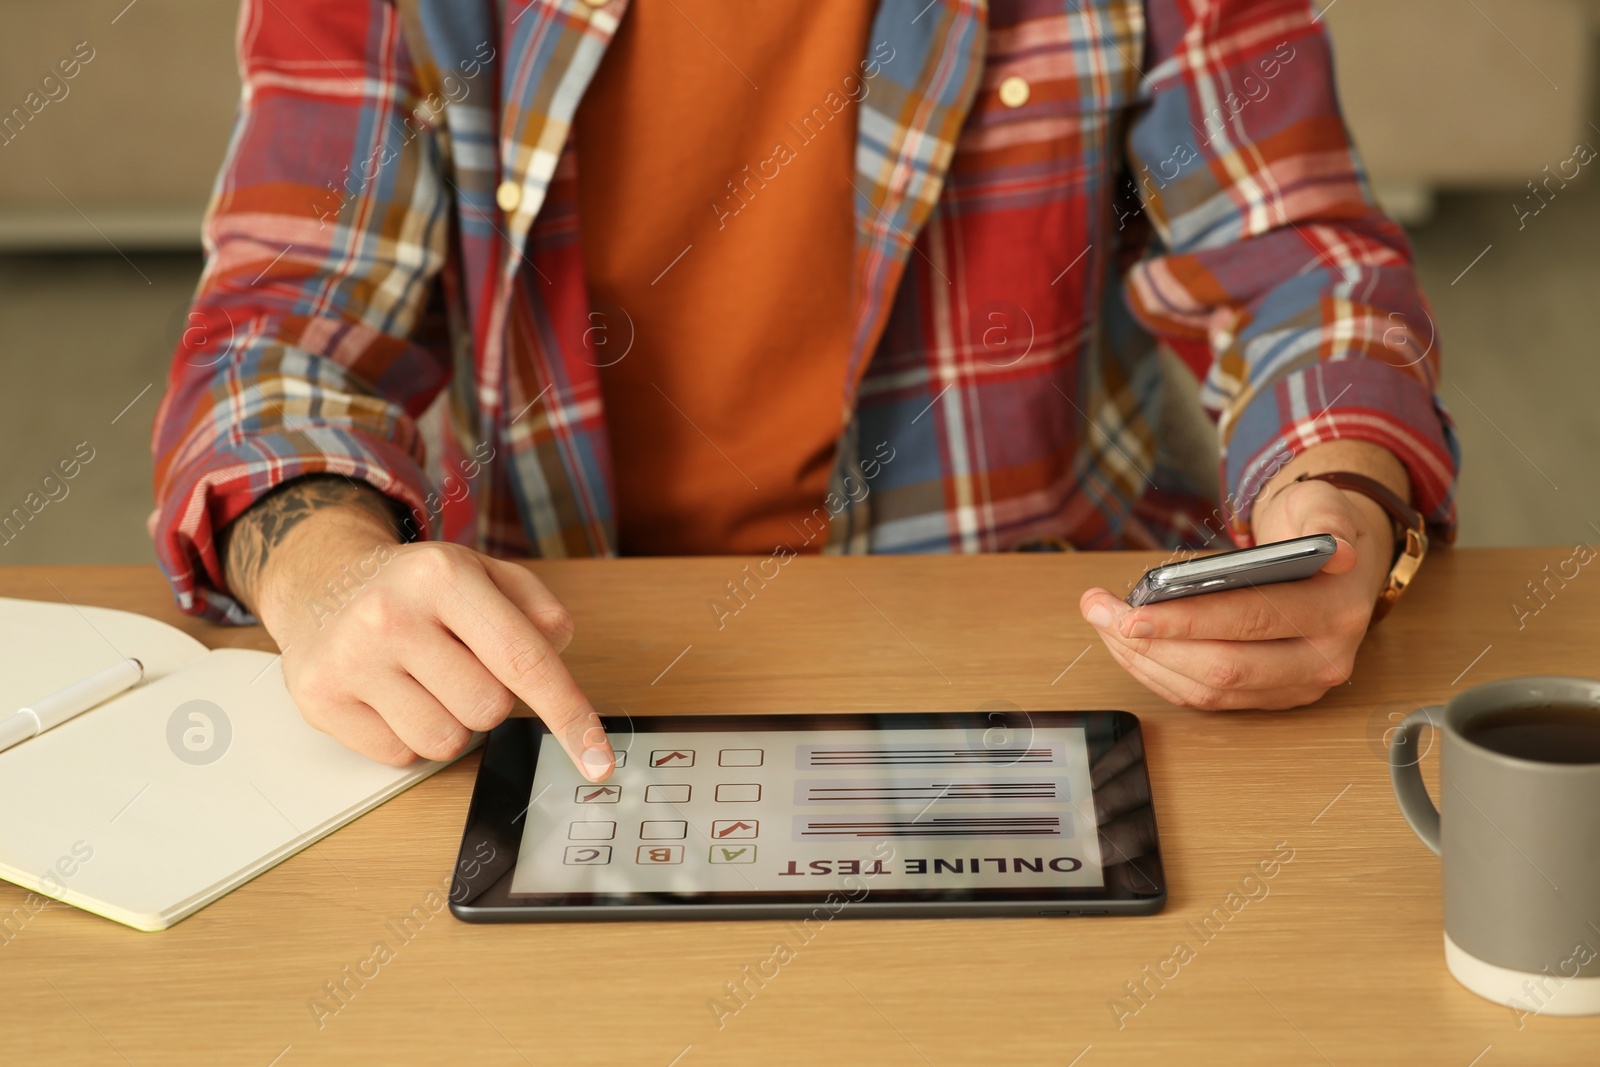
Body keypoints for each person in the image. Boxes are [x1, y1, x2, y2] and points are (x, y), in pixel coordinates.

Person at [150, 0, 1458, 780]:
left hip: (1053, 652)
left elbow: (1303, 267)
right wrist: (319, 567)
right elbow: (289, 322)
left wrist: (1339, 497)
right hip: (557, 673)